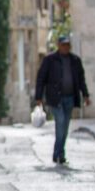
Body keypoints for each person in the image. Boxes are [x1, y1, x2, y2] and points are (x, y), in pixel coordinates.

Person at [34, 35, 90, 165]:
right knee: (60, 123)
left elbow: (81, 80)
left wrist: (85, 95)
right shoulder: (50, 60)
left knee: (65, 127)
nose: (66, 47)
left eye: (67, 45)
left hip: (70, 98)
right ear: (58, 46)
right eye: (63, 45)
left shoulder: (75, 60)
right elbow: (41, 78)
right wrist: (38, 97)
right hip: (55, 98)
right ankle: (59, 154)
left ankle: (59, 153)